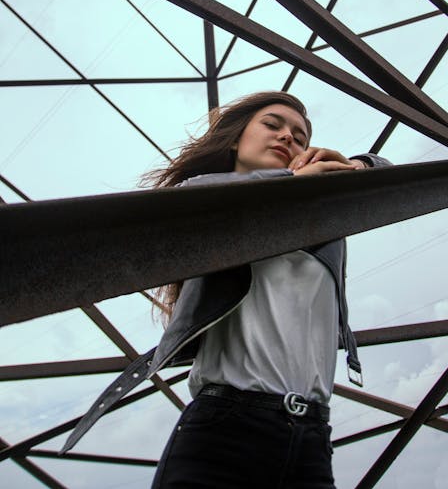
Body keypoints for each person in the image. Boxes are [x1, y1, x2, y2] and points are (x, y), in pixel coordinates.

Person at [62, 91, 390, 487]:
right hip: (226, 428)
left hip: (312, 436)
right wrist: (289, 180)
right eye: (272, 125)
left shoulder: (325, 216)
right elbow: (185, 198)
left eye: (300, 137)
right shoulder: (209, 197)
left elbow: (388, 175)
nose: (288, 137)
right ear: (236, 139)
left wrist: (355, 165)